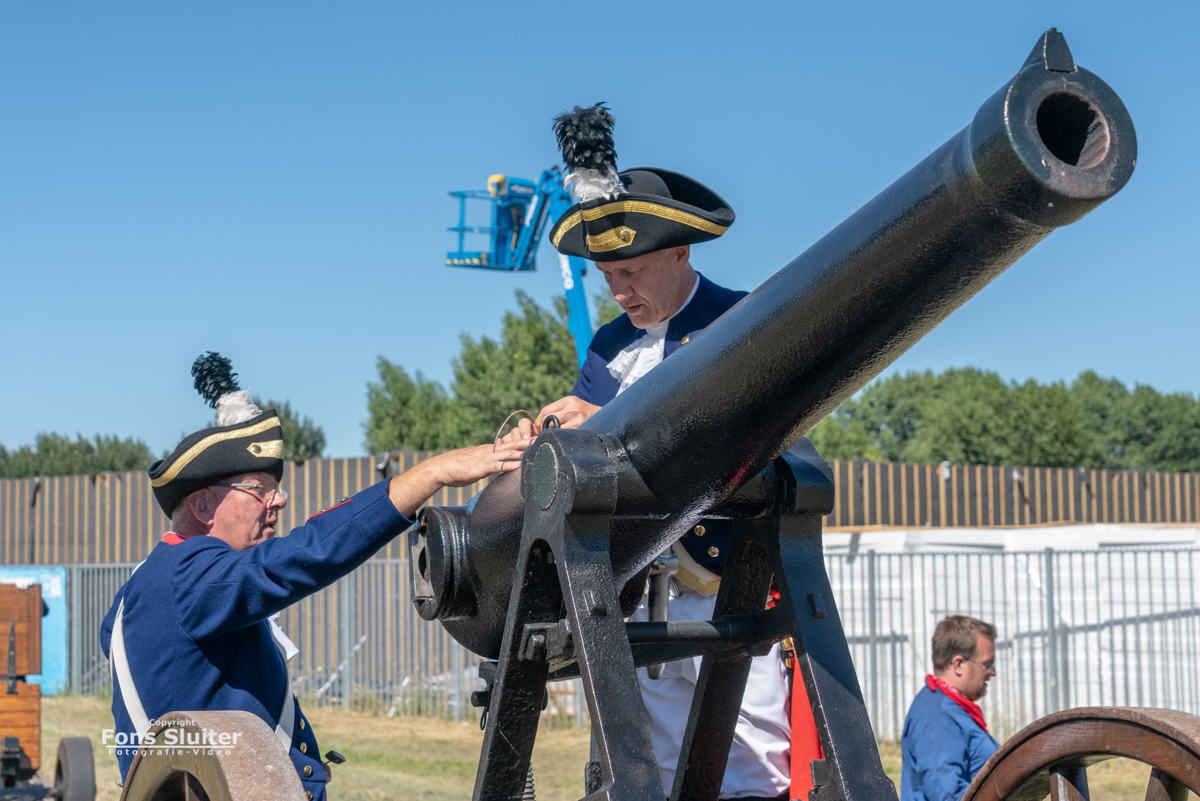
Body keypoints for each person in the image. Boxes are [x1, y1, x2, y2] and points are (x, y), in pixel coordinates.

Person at [504, 103, 790, 800]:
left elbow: (727, 438)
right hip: (635, 590)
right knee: (653, 773)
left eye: (630, 271)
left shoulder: (738, 322)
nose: (617, 290)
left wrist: (600, 418)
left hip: (723, 583)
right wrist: (549, 438)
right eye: (606, 274)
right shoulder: (608, 346)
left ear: (680, 251)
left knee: (755, 769)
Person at [100, 353, 523, 801]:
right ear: (203, 505)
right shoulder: (189, 577)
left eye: (276, 489)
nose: (279, 500)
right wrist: (434, 473)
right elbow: (311, 551)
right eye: (259, 489)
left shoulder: (148, 585)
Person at [901, 616, 1000, 801]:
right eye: (987, 664)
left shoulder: (949, 708)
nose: (992, 672)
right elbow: (946, 793)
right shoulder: (937, 715)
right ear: (958, 664)